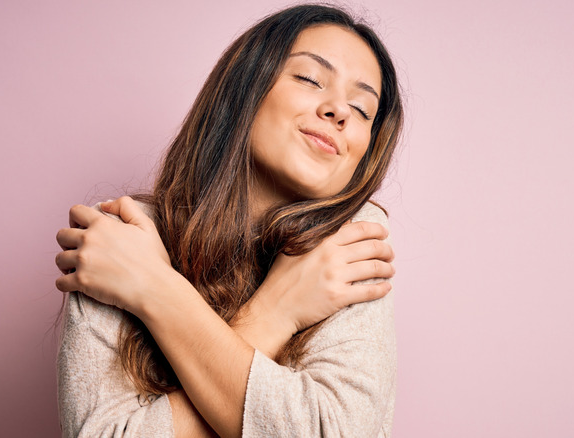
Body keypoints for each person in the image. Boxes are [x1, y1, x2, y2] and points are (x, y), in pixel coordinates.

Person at [54, 4, 403, 437]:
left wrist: (152, 288)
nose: (339, 111)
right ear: (246, 87)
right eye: (310, 79)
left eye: (362, 109)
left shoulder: (349, 245)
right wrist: (276, 315)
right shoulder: (125, 239)